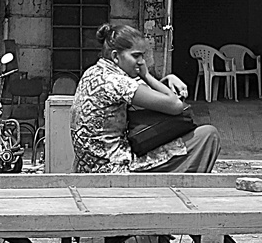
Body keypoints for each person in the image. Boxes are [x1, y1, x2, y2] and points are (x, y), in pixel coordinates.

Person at [71, 23, 220, 173]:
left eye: (142, 55)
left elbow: (148, 95)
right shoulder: (116, 82)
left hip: (88, 165)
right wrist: (147, 75)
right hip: (114, 167)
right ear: (115, 56)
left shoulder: (93, 72)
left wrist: (168, 78)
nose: (142, 61)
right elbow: (175, 106)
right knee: (207, 135)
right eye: (136, 56)